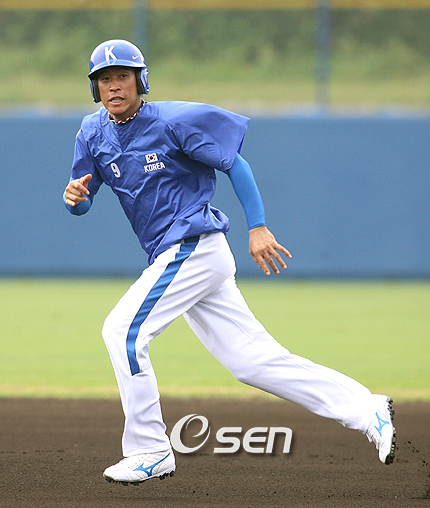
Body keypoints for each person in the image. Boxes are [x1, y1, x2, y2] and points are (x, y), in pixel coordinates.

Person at [64, 39, 396, 485]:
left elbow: (235, 165)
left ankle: (149, 449)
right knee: (252, 362)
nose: (114, 85)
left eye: (123, 76)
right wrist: (75, 200)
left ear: (141, 81)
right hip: (179, 256)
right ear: (95, 88)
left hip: (193, 246)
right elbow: (82, 198)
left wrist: (257, 226)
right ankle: (366, 408)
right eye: (105, 79)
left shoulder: (173, 120)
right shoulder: (92, 132)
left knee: (122, 331)